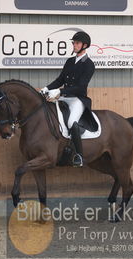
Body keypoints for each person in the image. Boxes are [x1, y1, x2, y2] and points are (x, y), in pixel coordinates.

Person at [40, 31, 95, 167]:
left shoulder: (89, 64)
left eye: (76, 43)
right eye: (73, 43)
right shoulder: (70, 61)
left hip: (78, 100)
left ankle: (79, 156)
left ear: (84, 45)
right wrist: (46, 88)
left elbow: (81, 87)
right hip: (65, 98)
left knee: (71, 122)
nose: (74, 45)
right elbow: (60, 79)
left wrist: (59, 91)